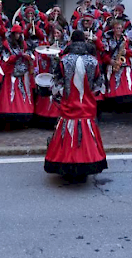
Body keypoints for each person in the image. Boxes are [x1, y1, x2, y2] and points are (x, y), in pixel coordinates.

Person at [44, 31, 107, 182]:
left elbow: (56, 82)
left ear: (71, 42)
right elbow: (99, 85)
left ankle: (67, 166)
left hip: (69, 105)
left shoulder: (64, 61)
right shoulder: (93, 61)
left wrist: (59, 94)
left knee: (67, 135)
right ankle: (85, 165)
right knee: (86, 135)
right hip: (86, 106)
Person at [0, 25, 35, 125]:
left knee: (23, 93)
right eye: (16, 34)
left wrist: (28, 57)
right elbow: (6, 59)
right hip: (11, 74)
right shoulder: (6, 45)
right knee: (11, 93)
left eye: (19, 33)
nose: (18, 36)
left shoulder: (23, 44)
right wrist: (18, 56)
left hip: (22, 73)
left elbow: (29, 54)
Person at [33, 24, 67, 128]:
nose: (56, 35)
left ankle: (56, 117)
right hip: (49, 71)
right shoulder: (47, 44)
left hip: (59, 73)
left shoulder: (65, 45)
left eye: (58, 33)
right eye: (54, 33)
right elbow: (42, 55)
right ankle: (43, 117)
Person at [102, 20, 132, 105]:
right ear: (113, 29)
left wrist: (126, 52)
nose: (119, 30)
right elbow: (103, 53)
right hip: (113, 65)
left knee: (128, 87)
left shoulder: (126, 39)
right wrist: (110, 61)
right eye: (117, 28)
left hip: (124, 64)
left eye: (120, 28)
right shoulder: (107, 39)